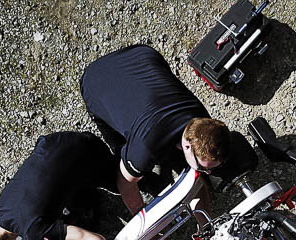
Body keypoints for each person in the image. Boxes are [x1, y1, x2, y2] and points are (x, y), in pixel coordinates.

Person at [80, 44, 232, 214]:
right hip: (95, 80)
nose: (209, 172)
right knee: (120, 148)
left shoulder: (203, 120)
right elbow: (125, 182)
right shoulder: (145, 147)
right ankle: (141, 176)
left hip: (140, 55)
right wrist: (141, 216)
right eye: (203, 168)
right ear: (187, 146)